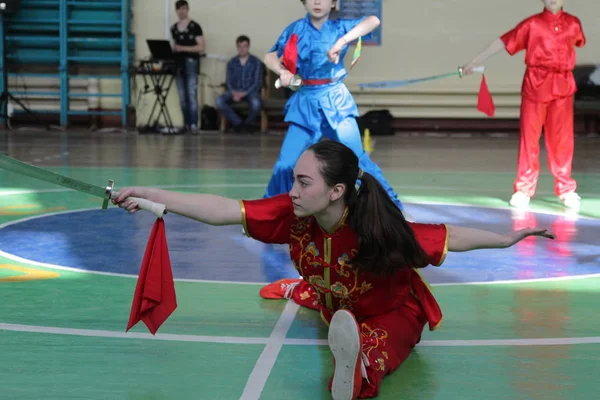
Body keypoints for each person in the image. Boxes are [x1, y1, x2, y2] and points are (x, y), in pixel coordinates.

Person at [113, 140, 555, 400]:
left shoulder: (377, 230)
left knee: (373, 356)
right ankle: (308, 296)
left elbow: (449, 237)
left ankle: (356, 363)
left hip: (392, 313)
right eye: (294, 179)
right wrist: (151, 194)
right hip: (336, 300)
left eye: (304, 182)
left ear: (336, 191)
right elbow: (224, 210)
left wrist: (508, 239)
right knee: (329, 298)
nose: (294, 190)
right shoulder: (295, 213)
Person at [262, 0, 405, 211]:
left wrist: (342, 42)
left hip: (336, 101)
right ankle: (270, 212)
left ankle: (393, 209)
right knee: (286, 164)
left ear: (333, 3)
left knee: (358, 160)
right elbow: (270, 56)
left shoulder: (339, 28)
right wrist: (283, 71)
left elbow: (373, 20)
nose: (317, 2)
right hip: (305, 104)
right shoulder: (295, 29)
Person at [461, 0, 586, 209]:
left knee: (562, 140)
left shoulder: (574, 24)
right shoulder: (532, 24)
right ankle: (524, 188)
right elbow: (504, 41)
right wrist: (474, 61)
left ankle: (566, 188)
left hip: (563, 87)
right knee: (530, 138)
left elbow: (578, 42)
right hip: (535, 84)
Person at [170, 0, 205, 134]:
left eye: (184, 8)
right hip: (178, 64)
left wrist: (182, 48)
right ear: (176, 11)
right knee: (182, 96)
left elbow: (201, 47)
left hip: (191, 63)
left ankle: (194, 125)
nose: (181, 11)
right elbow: (175, 45)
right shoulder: (174, 28)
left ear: (188, 9)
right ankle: (186, 124)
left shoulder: (195, 26)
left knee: (191, 94)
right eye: (179, 9)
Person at [216, 35, 264, 133]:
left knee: (256, 103)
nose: (242, 49)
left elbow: (257, 82)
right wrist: (234, 93)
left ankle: (248, 124)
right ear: (237, 47)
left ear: (248, 47)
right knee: (219, 101)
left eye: (244, 46)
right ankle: (238, 123)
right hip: (234, 91)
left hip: (251, 92)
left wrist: (244, 93)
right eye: (240, 46)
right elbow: (228, 81)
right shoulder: (231, 62)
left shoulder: (256, 62)